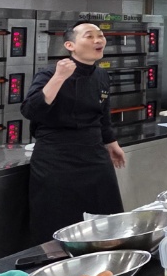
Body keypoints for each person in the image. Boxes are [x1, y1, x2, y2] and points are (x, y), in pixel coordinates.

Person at [21, 23, 127, 242]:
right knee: (58, 222)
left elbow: (103, 114)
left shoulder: (101, 75)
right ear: (70, 45)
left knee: (106, 219)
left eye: (101, 36)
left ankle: (107, 258)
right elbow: (31, 110)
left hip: (94, 156)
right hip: (57, 160)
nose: (98, 40)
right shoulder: (49, 73)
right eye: (89, 36)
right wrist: (59, 77)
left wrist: (111, 142)